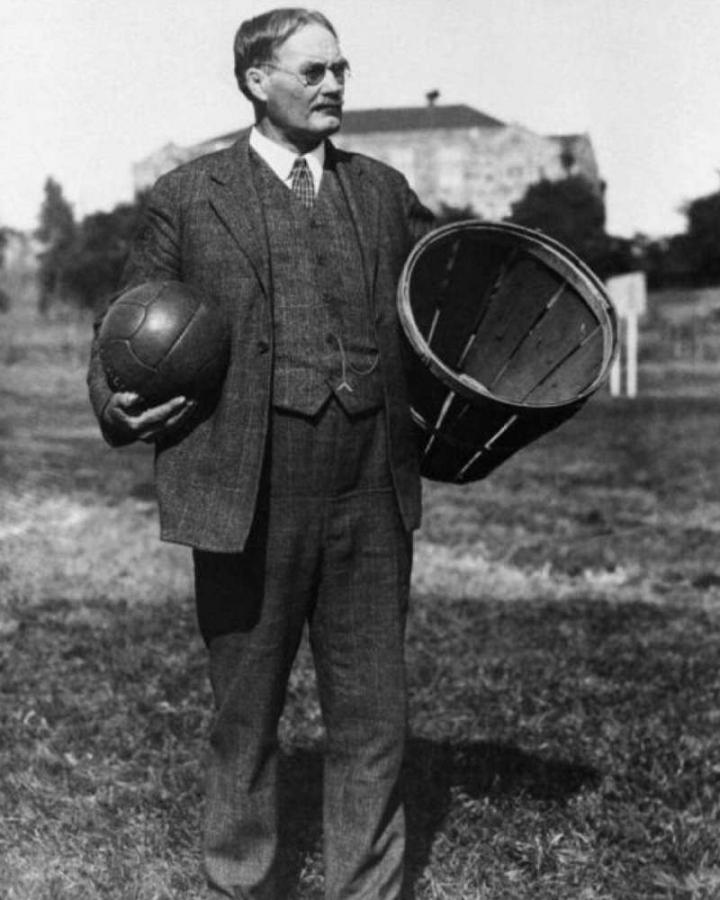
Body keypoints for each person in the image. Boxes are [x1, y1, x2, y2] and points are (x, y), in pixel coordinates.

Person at [87, 8, 435, 899]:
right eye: (313, 71)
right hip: (247, 488)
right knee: (244, 716)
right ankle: (239, 883)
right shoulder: (189, 195)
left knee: (374, 715)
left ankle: (367, 889)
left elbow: (443, 302)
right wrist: (115, 404)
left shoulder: (384, 191)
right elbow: (124, 320)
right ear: (255, 79)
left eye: (341, 69)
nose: (335, 85)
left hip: (370, 486)